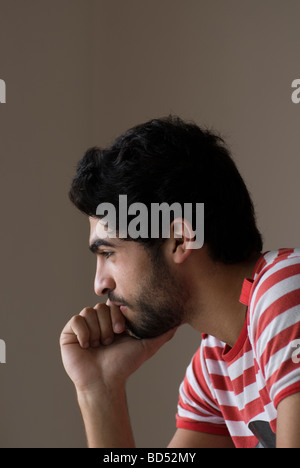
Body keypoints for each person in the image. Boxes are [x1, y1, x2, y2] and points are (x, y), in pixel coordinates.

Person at [60, 116, 300, 448]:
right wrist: (100, 388)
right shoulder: (214, 364)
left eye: (109, 253)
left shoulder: (286, 292)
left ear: (179, 240)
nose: (100, 284)